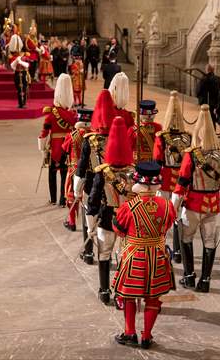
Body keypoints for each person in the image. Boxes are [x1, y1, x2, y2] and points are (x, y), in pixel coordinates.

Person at [112, 161, 176, 350]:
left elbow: (119, 229)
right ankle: (147, 336)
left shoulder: (128, 207)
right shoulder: (167, 205)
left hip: (135, 256)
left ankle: (130, 332)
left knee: (129, 295)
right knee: (153, 297)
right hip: (158, 255)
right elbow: (168, 226)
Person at [173, 104, 220, 292]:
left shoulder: (192, 155)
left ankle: (189, 276)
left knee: (186, 238)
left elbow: (182, 181)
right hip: (212, 204)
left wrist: (173, 205)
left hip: (192, 204)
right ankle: (205, 280)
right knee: (210, 241)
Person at [87, 116, 135, 305]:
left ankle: (104, 290)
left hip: (107, 217)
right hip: (128, 218)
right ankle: (121, 293)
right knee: (124, 256)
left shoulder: (102, 172)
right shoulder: (134, 171)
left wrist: (91, 226)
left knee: (104, 254)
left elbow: (93, 200)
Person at [74, 89, 116, 266]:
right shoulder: (117, 138)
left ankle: (89, 251)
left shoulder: (89, 139)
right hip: (114, 184)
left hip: (92, 182)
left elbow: (82, 167)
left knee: (89, 215)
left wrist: (76, 189)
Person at [153, 91, 191, 263]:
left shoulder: (162, 137)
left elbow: (157, 160)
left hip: (166, 179)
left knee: (162, 213)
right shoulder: (188, 137)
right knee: (178, 215)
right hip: (181, 180)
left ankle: (161, 246)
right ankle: (177, 251)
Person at [38, 74, 76, 206]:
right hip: (68, 147)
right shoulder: (73, 115)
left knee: (52, 173)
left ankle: (53, 199)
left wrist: (42, 148)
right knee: (66, 173)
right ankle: (63, 199)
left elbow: (44, 132)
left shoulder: (51, 113)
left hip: (55, 146)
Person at [62, 107, 93, 231]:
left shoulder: (71, 135)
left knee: (71, 196)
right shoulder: (93, 135)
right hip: (90, 169)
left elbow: (65, 148)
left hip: (74, 169)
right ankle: (88, 223)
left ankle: (72, 222)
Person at [8, 35, 31, 109]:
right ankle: (20, 103)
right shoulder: (14, 57)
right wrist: (16, 60)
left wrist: (20, 61)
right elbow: (12, 66)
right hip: (17, 73)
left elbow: (27, 65)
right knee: (19, 89)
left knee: (24, 88)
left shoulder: (25, 55)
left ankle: (23, 103)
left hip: (24, 73)